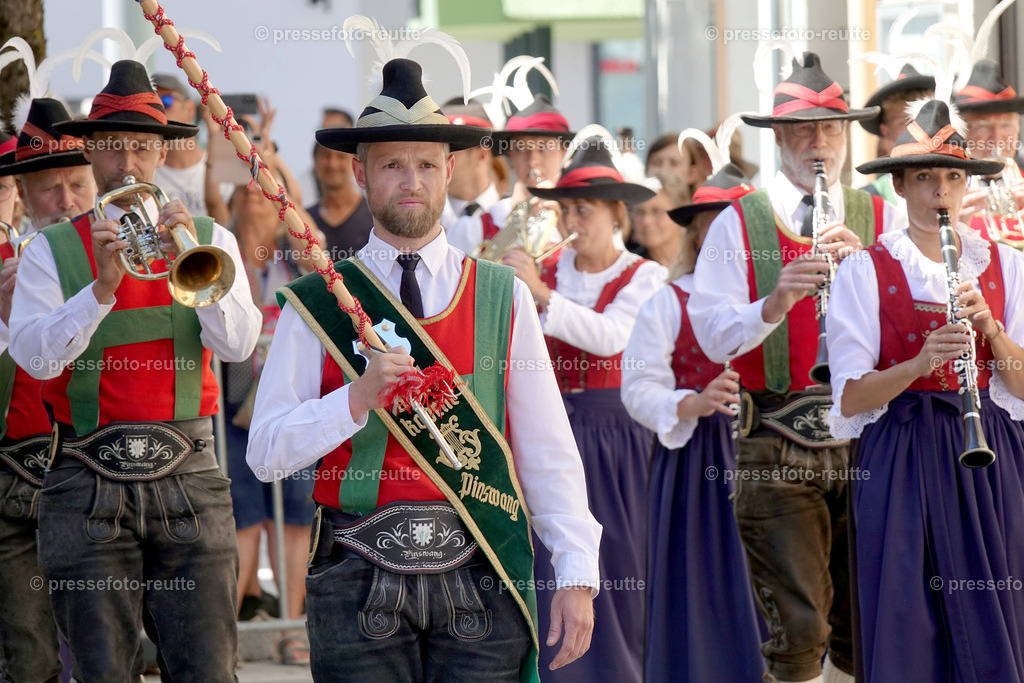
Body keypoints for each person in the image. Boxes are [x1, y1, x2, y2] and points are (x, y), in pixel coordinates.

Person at [247, 56, 600, 682]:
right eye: (391, 165)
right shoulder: (322, 301)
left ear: (451, 169)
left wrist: (576, 574)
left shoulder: (501, 295)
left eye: (425, 164)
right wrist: (354, 401)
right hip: (353, 571)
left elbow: (548, 450)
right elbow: (267, 452)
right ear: (360, 173)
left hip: (480, 567)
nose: (410, 181)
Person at [8, 59, 261, 681]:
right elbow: (36, 357)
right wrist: (99, 289)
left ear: (160, 153)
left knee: (206, 669)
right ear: (92, 154)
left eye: (142, 149)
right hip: (85, 477)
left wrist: (195, 259)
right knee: (101, 671)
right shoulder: (48, 250)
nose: (127, 165)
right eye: (113, 149)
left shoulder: (210, 239)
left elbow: (237, 346)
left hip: (191, 477)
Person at [688, 52, 906, 683]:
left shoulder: (879, 217)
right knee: (799, 627)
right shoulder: (741, 220)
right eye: (805, 130)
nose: (820, 143)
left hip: (868, 437)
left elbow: (912, 325)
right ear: (779, 138)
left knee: (867, 620)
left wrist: (871, 269)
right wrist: (776, 300)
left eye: (832, 129)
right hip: (776, 439)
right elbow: (710, 330)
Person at [829, 96, 1024, 681]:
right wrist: (918, 364)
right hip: (903, 455)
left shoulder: (1008, 266)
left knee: (998, 614)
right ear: (900, 187)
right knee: (908, 621)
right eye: (924, 177)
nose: (940, 190)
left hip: (992, 453)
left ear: (967, 185)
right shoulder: (865, 269)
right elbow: (849, 399)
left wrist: (990, 328)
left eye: (953, 176)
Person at [503, 135, 665, 681]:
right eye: (567, 207)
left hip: (614, 434)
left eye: (585, 209)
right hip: (549, 430)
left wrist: (540, 296)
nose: (573, 219)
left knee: (617, 564)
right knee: (552, 559)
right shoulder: (547, 272)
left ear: (616, 212)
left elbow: (613, 336)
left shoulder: (645, 275)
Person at [623, 161, 766, 683]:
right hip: (700, 463)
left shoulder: (778, 300)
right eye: (714, 221)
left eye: (738, 220)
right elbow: (637, 388)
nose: (726, 232)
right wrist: (691, 402)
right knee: (704, 584)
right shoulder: (668, 300)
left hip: (774, 453)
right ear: (699, 232)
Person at [0, 96, 96, 683]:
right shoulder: (10, 267)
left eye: (76, 184)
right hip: (15, 480)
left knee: (105, 654)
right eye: (47, 189)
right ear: (22, 197)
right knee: (30, 657)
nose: (65, 202)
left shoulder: (129, 259)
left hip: (98, 482)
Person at [448, 93, 573, 256]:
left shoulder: (583, 221)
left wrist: (565, 230)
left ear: (564, 153)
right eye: (521, 149)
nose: (532, 160)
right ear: (510, 155)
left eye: (544, 148)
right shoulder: (472, 228)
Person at [954, 60, 1024, 245]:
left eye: (1006, 125)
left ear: (1017, 130)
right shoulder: (946, 190)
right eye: (983, 127)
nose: (997, 138)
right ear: (962, 134)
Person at [857, 64, 935, 205]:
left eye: (925, 118)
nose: (919, 128)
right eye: (906, 122)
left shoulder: (956, 187)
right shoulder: (869, 200)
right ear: (885, 131)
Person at [304, 111, 373, 262]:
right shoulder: (304, 220)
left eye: (341, 157)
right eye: (325, 155)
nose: (332, 164)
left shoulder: (375, 218)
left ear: (355, 164)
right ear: (315, 162)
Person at [439, 98, 501, 237]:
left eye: (449, 150)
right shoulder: (421, 221)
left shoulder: (512, 215)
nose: (436, 161)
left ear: (482, 155)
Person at [152, 73, 207, 217]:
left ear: (190, 108)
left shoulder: (217, 167)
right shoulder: (145, 173)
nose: (159, 110)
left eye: (166, 101)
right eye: (151, 104)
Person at [627, 176, 684, 266]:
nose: (647, 221)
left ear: (681, 215)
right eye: (640, 212)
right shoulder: (629, 268)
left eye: (657, 211)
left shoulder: (702, 260)